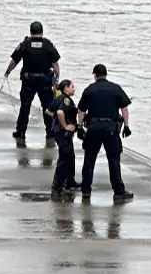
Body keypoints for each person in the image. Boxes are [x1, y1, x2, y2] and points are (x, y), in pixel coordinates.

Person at [76, 63, 133, 202]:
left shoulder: (89, 90)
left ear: (95, 75)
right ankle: (118, 191)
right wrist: (126, 126)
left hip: (93, 128)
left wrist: (79, 127)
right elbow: (124, 109)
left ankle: (86, 190)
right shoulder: (116, 88)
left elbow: (81, 111)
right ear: (106, 74)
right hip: (110, 129)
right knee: (114, 159)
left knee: (89, 159)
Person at [2, 21, 60, 141]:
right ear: (42, 32)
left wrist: (7, 72)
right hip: (45, 80)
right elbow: (55, 65)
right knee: (47, 107)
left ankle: (21, 131)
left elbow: (14, 61)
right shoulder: (48, 45)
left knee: (25, 105)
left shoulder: (25, 44)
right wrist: (56, 80)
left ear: (31, 32)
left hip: (28, 80)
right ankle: (50, 131)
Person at [49, 79, 80, 198]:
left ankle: (70, 181)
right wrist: (65, 125)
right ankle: (57, 186)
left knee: (70, 156)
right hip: (63, 133)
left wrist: (56, 121)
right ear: (66, 88)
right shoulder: (66, 100)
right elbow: (60, 112)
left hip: (58, 131)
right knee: (65, 157)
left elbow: (48, 111)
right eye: (72, 86)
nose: (74, 89)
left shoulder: (58, 98)